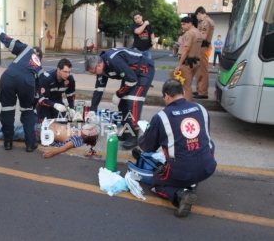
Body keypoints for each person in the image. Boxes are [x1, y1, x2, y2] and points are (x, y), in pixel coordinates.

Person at [138, 79, 217, 217]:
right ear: (184, 92)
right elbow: (204, 137)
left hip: (182, 171)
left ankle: (180, 195)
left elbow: (147, 146)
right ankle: (192, 183)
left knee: (156, 182)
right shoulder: (201, 109)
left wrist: (145, 136)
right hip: (208, 167)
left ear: (166, 96)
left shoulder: (162, 117)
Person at [84, 48, 155, 149]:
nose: (95, 74)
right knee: (122, 103)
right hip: (130, 75)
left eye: (94, 72)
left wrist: (118, 94)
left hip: (143, 70)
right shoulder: (101, 68)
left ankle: (134, 136)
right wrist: (92, 109)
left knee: (133, 100)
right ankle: (127, 131)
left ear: (99, 65)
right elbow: (98, 89)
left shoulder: (114, 61)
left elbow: (132, 80)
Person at [0, 26, 43, 152]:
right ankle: (30, 144)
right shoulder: (39, 67)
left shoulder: (26, 49)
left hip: (9, 77)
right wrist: (32, 104)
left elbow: (10, 43)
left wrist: (0, 33)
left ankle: (8, 142)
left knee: (7, 110)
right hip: (27, 82)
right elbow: (38, 90)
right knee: (27, 112)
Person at [0, 121, 99, 159]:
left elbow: (64, 147)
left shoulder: (77, 139)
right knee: (14, 128)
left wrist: (53, 153)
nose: (90, 127)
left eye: (92, 130)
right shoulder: (77, 129)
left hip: (38, 134)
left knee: (9, 135)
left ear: (88, 136)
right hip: (39, 126)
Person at [172, 17, 203, 101]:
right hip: (195, 62)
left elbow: (186, 50)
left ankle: (187, 107)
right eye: (182, 24)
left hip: (187, 63)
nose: (182, 26)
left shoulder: (189, 34)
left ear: (190, 23)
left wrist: (179, 65)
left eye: (184, 24)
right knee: (187, 85)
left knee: (186, 87)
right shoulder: (199, 33)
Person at [194, 6, 215, 99]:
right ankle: (199, 90)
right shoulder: (208, 21)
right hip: (203, 47)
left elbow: (204, 36)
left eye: (196, 16)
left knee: (202, 70)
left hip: (203, 47)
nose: (197, 18)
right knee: (199, 70)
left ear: (199, 13)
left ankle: (203, 92)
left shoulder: (206, 22)